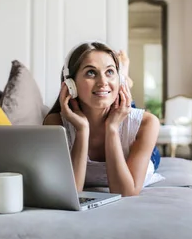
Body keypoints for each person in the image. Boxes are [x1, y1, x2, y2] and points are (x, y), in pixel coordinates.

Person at [43, 41, 164, 196]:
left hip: (143, 153)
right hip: (98, 109)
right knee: (113, 99)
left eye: (109, 72)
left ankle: (124, 81)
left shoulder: (147, 124)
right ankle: (122, 79)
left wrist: (112, 128)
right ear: (70, 84)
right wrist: (81, 131)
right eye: (91, 73)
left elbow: (126, 192)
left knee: (126, 106)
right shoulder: (55, 124)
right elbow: (71, 193)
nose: (102, 82)